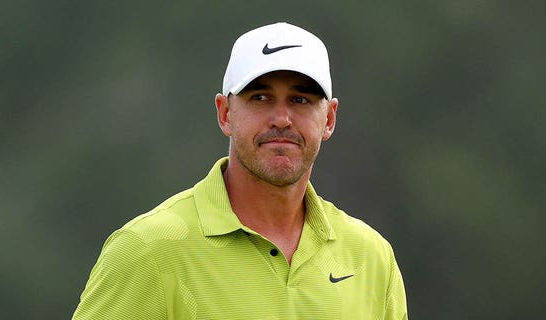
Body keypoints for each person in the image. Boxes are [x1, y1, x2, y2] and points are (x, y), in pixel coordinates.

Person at [72, 22, 407, 319]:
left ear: (329, 119)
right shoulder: (147, 250)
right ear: (225, 113)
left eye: (300, 100)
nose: (281, 118)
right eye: (260, 97)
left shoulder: (372, 258)